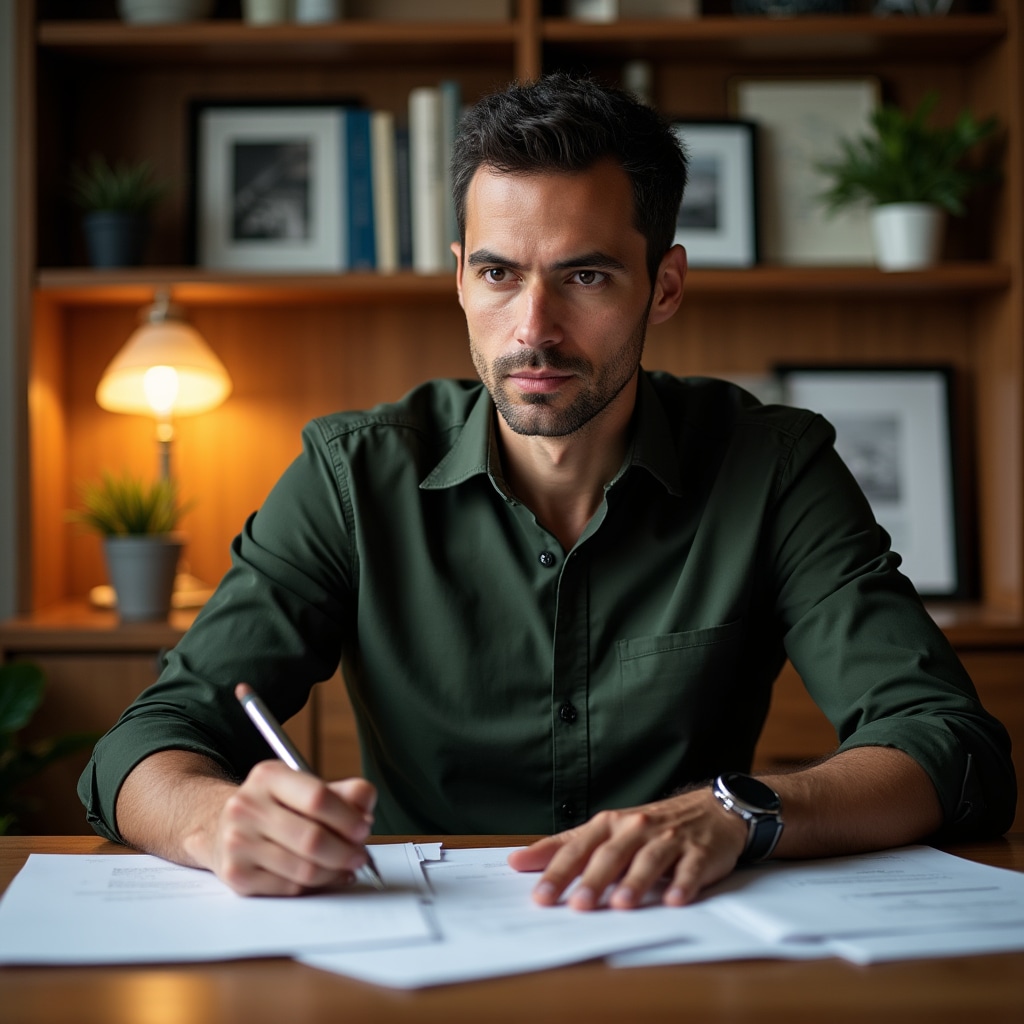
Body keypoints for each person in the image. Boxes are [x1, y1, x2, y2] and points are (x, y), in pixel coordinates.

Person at [80, 72, 1015, 911]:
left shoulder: (772, 466)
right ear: (459, 278)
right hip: (414, 951)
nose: (534, 329)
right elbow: (146, 743)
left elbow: (950, 743)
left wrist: (738, 811)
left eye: (586, 275)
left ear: (665, 286)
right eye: (499, 273)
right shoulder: (351, 476)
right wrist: (214, 822)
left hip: (683, 940)